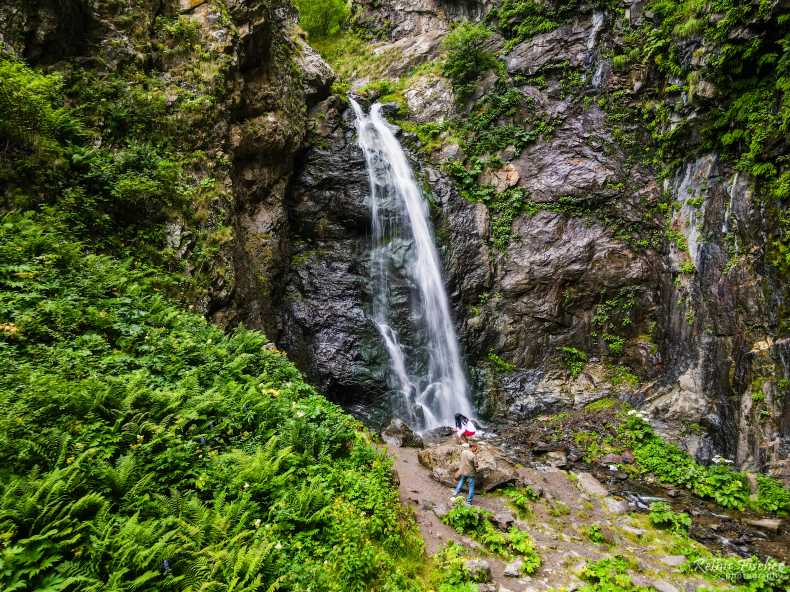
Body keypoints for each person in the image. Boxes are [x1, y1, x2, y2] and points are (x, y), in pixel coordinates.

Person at [451, 440, 478, 504]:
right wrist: (475, 455)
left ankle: (455, 493)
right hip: (471, 473)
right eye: (476, 448)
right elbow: (476, 465)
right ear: (473, 447)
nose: (476, 449)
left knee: (461, 481)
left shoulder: (463, 452)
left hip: (463, 471)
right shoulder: (473, 456)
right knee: (471, 487)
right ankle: (469, 501)